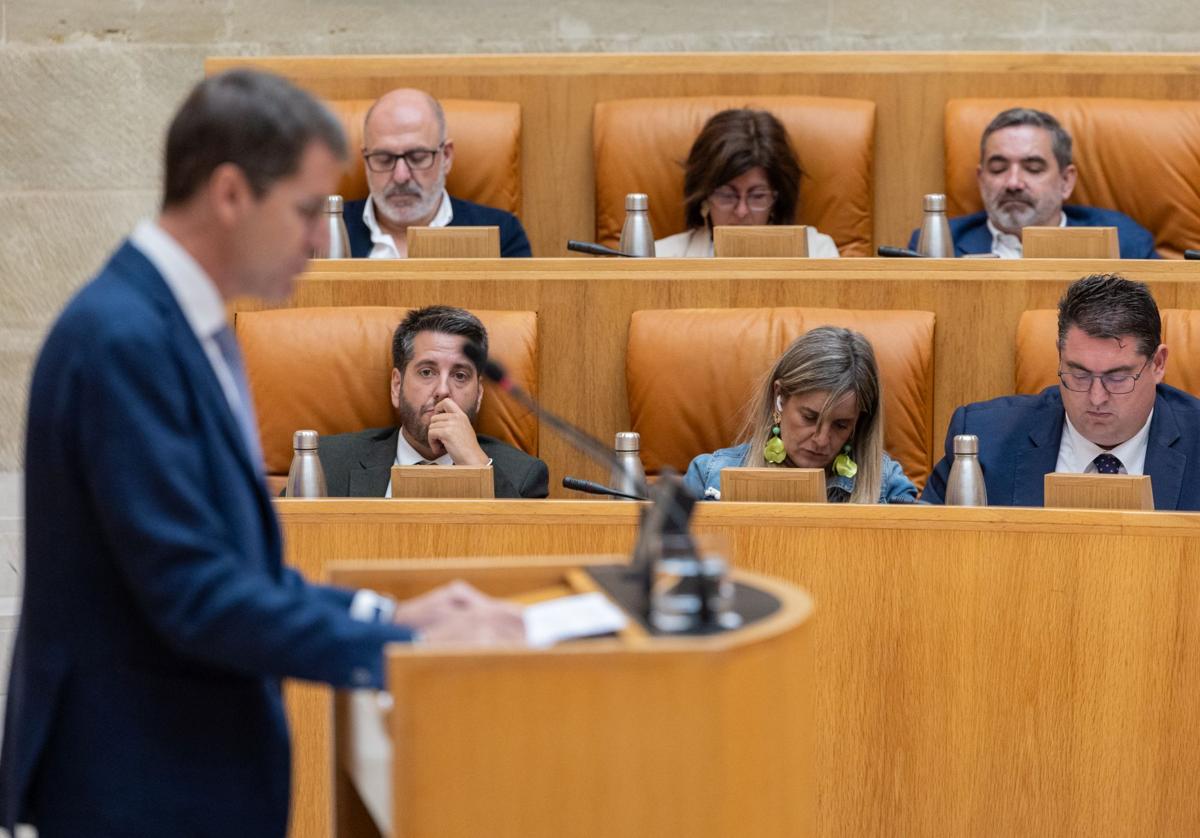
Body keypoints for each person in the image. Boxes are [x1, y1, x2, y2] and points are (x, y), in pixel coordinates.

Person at [0, 70, 525, 838]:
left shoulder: (181, 326)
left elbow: (230, 565)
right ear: (230, 195)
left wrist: (385, 609)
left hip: (184, 766)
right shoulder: (123, 340)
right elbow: (196, 592)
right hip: (136, 780)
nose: (322, 239)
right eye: (309, 210)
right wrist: (402, 643)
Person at [922, 273, 1200, 508]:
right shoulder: (984, 441)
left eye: (1118, 378)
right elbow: (932, 550)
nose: (1096, 397)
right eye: (1079, 374)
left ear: (1158, 364)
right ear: (1060, 356)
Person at [318, 305, 549, 499]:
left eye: (460, 375)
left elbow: (525, 547)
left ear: (478, 395)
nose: (442, 390)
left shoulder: (523, 477)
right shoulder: (328, 463)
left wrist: (477, 467)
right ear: (397, 386)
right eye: (427, 372)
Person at [683, 326, 917, 502]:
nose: (821, 440)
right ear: (780, 398)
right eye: (809, 417)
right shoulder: (709, 477)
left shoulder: (886, 484)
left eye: (841, 425)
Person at [907, 107, 1159, 259]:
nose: (1013, 182)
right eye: (998, 168)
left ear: (1066, 181)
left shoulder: (1124, 240)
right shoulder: (937, 242)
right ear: (981, 179)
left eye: (1033, 168)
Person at [343, 88, 532, 258]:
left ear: (446, 157)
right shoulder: (322, 233)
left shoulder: (502, 235)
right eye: (384, 158)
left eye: (417, 157)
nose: (401, 176)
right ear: (366, 160)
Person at [654, 108, 840, 258]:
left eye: (757, 196)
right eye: (727, 195)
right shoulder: (661, 258)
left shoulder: (818, 253)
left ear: (776, 200)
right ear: (704, 198)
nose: (741, 211)